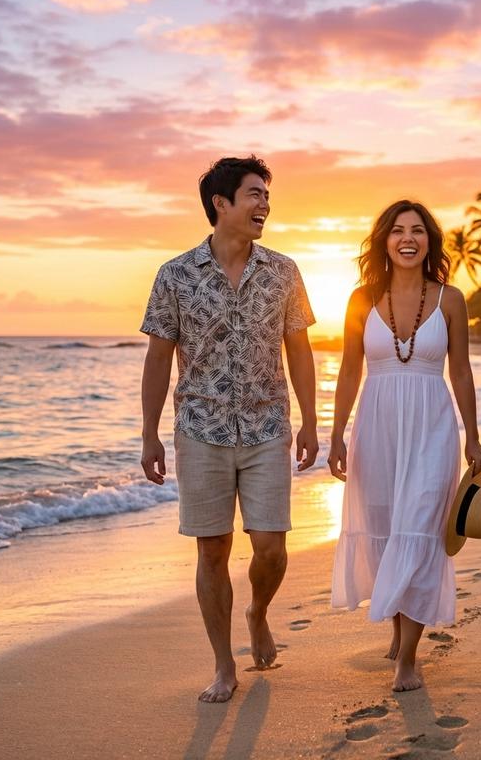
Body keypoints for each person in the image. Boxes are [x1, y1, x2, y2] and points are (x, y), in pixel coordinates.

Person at [140, 156, 318, 703]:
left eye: (266, 194)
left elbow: (300, 349)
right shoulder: (175, 274)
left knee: (271, 546)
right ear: (221, 204)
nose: (265, 204)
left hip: (267, 425)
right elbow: (158, 357)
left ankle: (258, 612)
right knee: (212, 550)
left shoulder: (284, 271)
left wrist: (313, 420)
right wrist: (150, 434)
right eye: (254, 194)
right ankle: (223, 666)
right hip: (199, 429)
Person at [328, 199, 481, 693]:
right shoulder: (360, 299)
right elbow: (350, 369)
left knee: (419, 531)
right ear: (385, 241)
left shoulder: (451, 299)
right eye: (397, 231)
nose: (407, 238)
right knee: (383, 530)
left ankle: (408, 659)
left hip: (432, 427)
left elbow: (460, 370)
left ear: (429, 241)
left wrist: (475, 437)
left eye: (417, 230)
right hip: (375, 429)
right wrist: (335, 433)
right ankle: (399, 630)